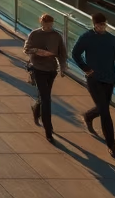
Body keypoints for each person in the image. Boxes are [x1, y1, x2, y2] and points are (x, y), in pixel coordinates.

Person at [72, 12, 115, 158]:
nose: (102, 27)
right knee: (105, 112)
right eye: (99, 25)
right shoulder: (86, 37)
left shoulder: (112, 39)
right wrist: (86, 68)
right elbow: (75, 53)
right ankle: (111, 145)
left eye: (104, 25)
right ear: (94, 25)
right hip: (94, 78)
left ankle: (88, 116)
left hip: (109, 79)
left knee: (103, 107)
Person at [24, 13, 68, 142]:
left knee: (44, 95)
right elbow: (26, 49)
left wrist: (63, 67)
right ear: (41, 23)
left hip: (51, 69)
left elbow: (62, 53)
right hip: (37, 68)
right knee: (46, 98)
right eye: (46, 24)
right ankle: (48, 129)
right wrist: (38, 51)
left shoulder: (56, 36)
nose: (48, 26)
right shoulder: (34, 34)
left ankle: (36, 108)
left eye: (50, 24)